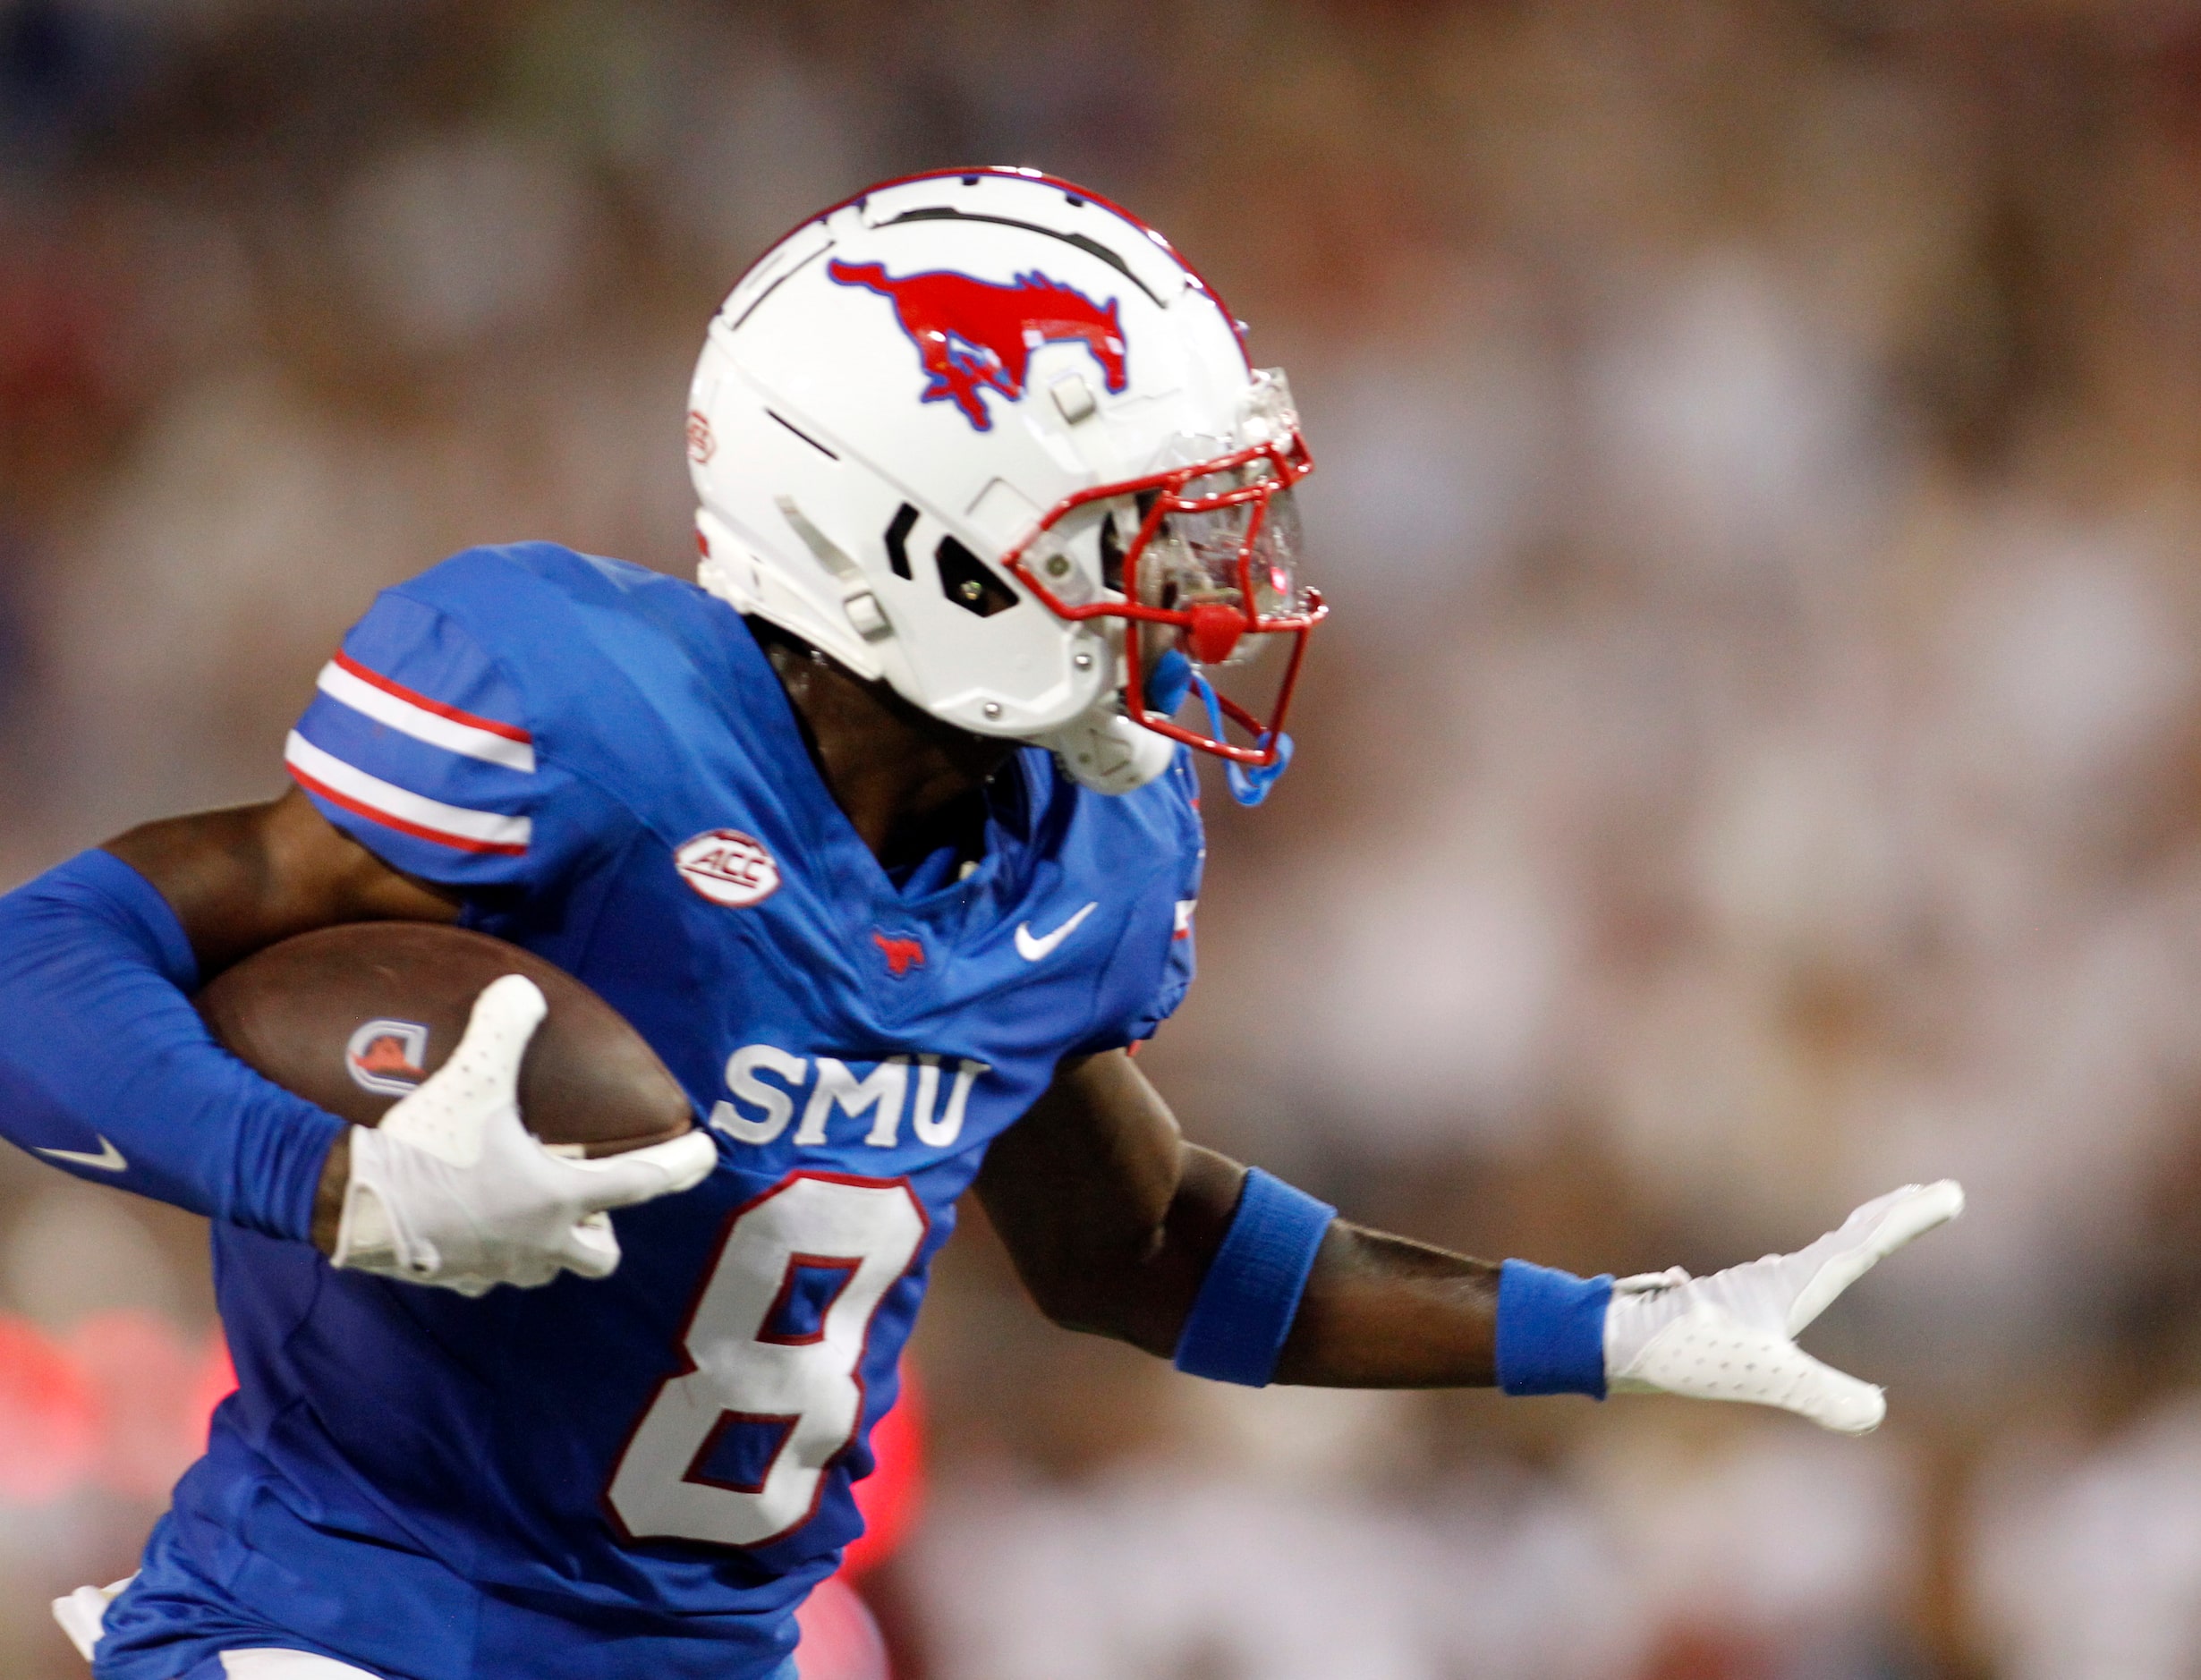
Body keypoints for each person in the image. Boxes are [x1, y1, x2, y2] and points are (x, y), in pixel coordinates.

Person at [0, 169, 1960, 1680]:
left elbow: (1144, 1248)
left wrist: (1607, 1331)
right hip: (347, 1632)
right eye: (1131, 533)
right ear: (913, 543)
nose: (1201, 586)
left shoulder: (1085, 845)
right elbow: (44, 962)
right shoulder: (577, 714)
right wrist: (331, 1180)